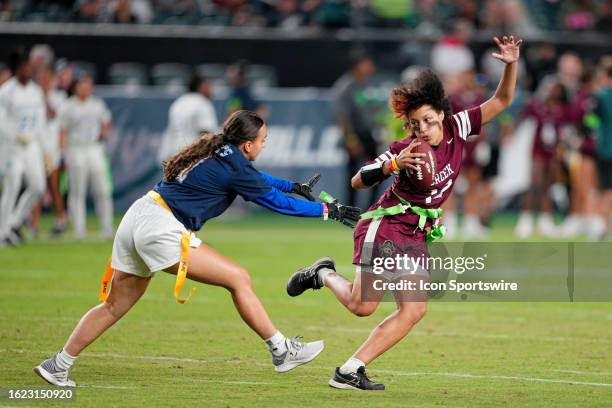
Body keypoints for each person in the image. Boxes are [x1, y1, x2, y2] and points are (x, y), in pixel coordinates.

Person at [34, 110, 361, 387]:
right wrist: (327, 211)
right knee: (239, 278)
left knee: (113, 305)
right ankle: (281, 350)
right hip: (161, 228)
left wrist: (293, 186)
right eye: (263, 140)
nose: (264, 144)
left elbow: (256, 178)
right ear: (248, 145)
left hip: (139, 214)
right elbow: (275, 203)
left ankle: (58, 364)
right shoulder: (236, 165)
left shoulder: (222, 149)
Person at [287, 35, 522, 390]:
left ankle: (350, 369)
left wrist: (510, 64)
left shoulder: (457, 128)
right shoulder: (404, 151)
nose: (423, 130)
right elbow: (357, 179)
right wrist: (391, 165)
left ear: (442, 114)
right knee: (362, 306)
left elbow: (503, 99)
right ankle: (322, 274)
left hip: (415, 234)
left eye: (428, 120)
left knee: (414, 309)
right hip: (385, 229)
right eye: (415, 124)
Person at [0, 48, 47, 246]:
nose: (30, 71)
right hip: (12, 145)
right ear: (18, 69)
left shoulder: (36, 91)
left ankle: (14, 222)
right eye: (26, 67)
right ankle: (2, 232)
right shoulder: (6, 91)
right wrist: (14, 136)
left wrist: (45, 148)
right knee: (13, 184)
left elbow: (41, 121)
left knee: (38, 186)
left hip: (32, 145)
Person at [59, 74, 114, 240]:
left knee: (103, 190)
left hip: (94, 148)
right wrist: (63, 154)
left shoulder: (97, 105)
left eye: (89, 85)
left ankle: (107, 227)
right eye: (83, 85)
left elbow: (107, 122)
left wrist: (104, 134)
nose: (86, 88)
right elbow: (62, 131)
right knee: (77, 191)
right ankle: (79, 229)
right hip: (76, 149)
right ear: (76, 87)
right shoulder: (68, 106)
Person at [331, 53, 378, 208]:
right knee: (352, 173)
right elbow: (341, 115)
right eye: (367, 63)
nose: (370, 66)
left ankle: (371, 206)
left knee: (379, 169)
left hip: (368, 133)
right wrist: (350, 140)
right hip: (354, 134)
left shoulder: (366, 84)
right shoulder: (345, 86)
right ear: (358, 66)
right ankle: (350, 208)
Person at [157, 74, 218, 163]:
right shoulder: (203, 102)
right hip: (191, 154)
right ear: (201, 87)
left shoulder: (179, 102)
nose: (211, 90)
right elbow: (206, 133)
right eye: (208, 86)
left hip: (172, 154)